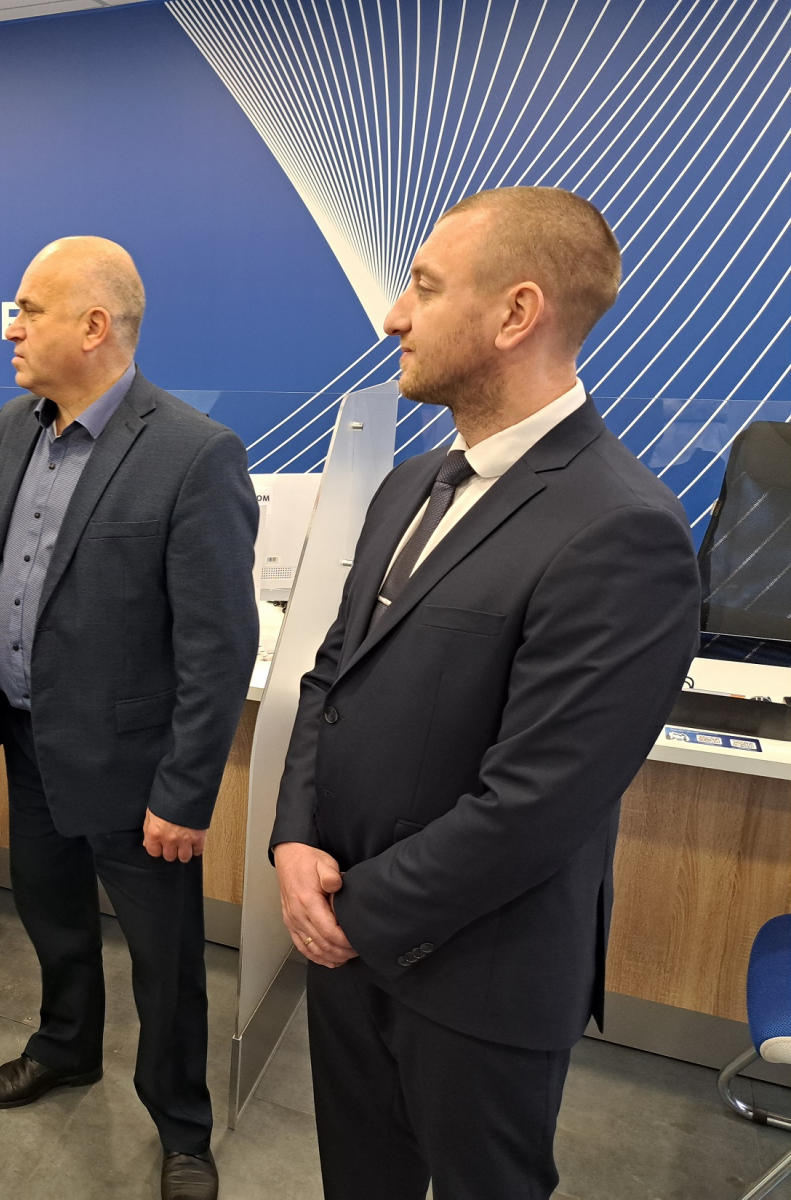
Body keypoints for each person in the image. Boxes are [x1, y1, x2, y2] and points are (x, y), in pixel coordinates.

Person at [270, 187, 701, 1200]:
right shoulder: (409, 483)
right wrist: (292, 842)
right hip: (340, 933)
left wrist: (355, 911)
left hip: (478, 975)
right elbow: (332, 673)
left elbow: (536, 805)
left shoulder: (622, 529)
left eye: (423, 287)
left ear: (516, 314)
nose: (393, 316)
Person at [0, 237, 259, 1200]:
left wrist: (185, 791)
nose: (10, 329)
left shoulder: (192, 452)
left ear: (94, 326)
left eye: (28, 310)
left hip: (137, 771)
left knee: (165, 962)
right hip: (31, 739)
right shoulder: (16, 427)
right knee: (51, 915)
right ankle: (64, 1046)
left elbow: (219, 645)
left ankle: (182, 1127)